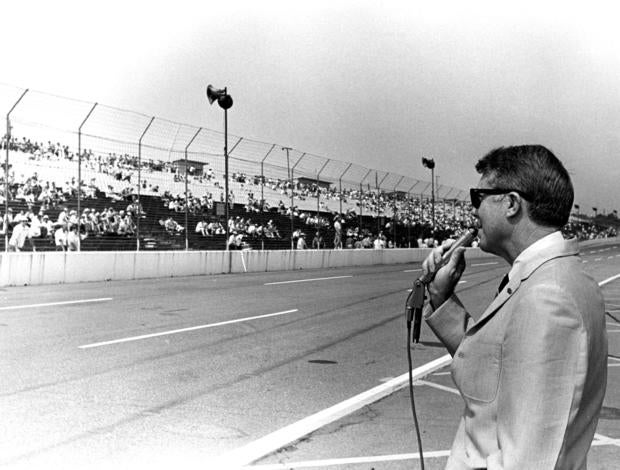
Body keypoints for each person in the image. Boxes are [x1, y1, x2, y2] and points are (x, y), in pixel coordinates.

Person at [420, 145, 607, 469]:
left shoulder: (548, 297)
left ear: (511, 203)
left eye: (478, 197)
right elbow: (491, 370)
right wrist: (441, 297)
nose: (473, 210)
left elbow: (529, 459)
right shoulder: (549, 278)